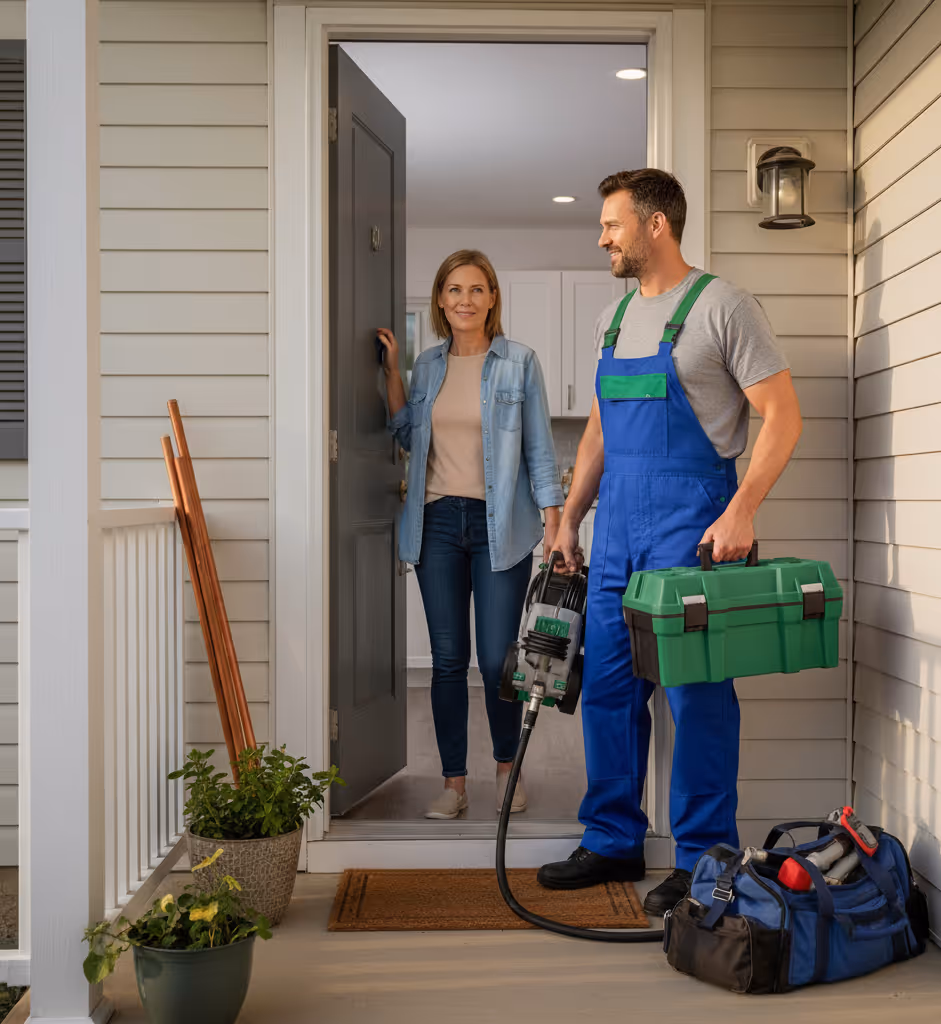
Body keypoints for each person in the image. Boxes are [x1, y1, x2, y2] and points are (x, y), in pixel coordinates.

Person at [536, 170, 802, 916]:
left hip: (692, 525)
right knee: (610, 690)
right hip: (617, 523)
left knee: (696, 694)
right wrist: (569, 519)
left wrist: (743, 507)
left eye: (612, 224)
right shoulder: (615, 319)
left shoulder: (723, 306)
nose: (601, 238)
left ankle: (702, 857)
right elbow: (597, 430)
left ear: (655, 225)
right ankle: (612, 837)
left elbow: (781, 416)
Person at [379, 249, 564, 820]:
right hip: (436, 522)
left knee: (497, 660)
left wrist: (556, 524)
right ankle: (454, 784)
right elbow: (408, 434)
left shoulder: (519, 363)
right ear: (440, 299)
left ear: (492, 299)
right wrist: (392, 374)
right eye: (455, 290)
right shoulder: (428, 367)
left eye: (477, 290)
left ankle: (509, 771)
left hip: (501, 526)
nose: (465, 300)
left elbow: (538, 449)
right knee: (447, 660)